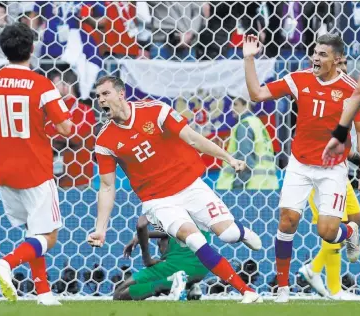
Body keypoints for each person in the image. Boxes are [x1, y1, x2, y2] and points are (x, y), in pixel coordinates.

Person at [88, 75, 263, 303]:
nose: (100, 99)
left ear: (121, 94)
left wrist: (229, 158)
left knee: (229, 235)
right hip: (157, 200)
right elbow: (108, 186)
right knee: (194, 240)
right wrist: (100, 228)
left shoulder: (155, 111)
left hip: (190, 186)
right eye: (98, 95)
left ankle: (242, 232)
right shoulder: (104, 140)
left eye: (105, 94)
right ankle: (247, 292)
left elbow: (192, 138)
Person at [243, 33, 360, 303]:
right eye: (314, 52)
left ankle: (350, 232)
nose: (315, 58)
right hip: (299, 163)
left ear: (337, 59)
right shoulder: (298, 79)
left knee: (327, 232)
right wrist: (249, 58)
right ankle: (283, 289)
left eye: (322, 55)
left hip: (333, 169)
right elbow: (256, 94)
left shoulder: (351, 87)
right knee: (287, 220)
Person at [0, 23, 72, 305]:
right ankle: (7, 263)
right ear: (31, 49)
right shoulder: (41, 84)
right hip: (37, 170)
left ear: (4, 50)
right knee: (49, 236)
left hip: (4, 172)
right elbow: (67, 128)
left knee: (33, 231)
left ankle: (43, 293)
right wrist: (60, 101)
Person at [299, 57, 360, 301]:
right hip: (318, 172)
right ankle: (333, 288)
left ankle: (314, 269)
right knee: (332, 228)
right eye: (337, 68)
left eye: (344, 69)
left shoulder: (351, 94)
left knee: (356, 219)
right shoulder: (320, 97)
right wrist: (357, 159)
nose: (340, 73)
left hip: (338, 170)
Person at [323, 38, 360, 306]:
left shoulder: (358, 94)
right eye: (340, 62)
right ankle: (324, 280)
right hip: (317, 166)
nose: (343, 67)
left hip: (344, 165)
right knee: (331, 223)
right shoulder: (316, 89)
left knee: (355, 218)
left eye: (346, 63)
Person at [113, 215, 209, 301]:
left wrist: (147, 260)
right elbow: (175, 231)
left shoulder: (165, 204)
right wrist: (142, 236)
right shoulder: (200, 209)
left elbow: (141, 226)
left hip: (177, 265)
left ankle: (166, 283)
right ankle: (189, 286)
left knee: (119, 295)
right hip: (202, 267)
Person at [46, 70, 96, 189]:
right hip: (52, 180)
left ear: (67, 85)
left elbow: (76, 139)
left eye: (54, 85)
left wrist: (56, 138)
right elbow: (44, 136)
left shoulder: (85, 111)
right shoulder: (50, 110)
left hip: (79, 179)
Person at [216, 97, 279, 190]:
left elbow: (245, 160)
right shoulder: (257, 123)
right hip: (266, 185)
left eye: (235, 104)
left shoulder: (244, 126)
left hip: (249, 188)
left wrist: (238, 188)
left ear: (247, 105)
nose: (231, 108)